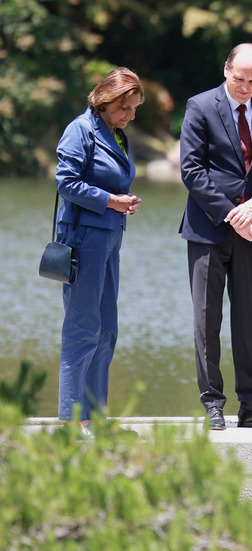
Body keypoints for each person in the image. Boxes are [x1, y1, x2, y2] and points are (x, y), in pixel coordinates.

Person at [179, 42, 252, 431]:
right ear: (226, 69)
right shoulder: (200, 106)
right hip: (208, 229)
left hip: (251, 230)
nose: (246, 88)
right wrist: (233, 213)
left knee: (247, 319)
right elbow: (192, 170)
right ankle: (212, 403)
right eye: (240, 79)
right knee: (206, 320)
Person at [55, 67, 144, 434]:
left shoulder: (117, 133)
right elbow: (66, 182)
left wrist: (124, 201)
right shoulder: (80, 130)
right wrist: (110, 200)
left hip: (110, 238)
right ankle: (72, 420)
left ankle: (96, 418)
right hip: (83, 240)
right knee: (83, 328)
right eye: (125, 108)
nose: (131, 115)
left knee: (107, 329)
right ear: (106, 100)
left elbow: (112, 180)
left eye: (134, 108)